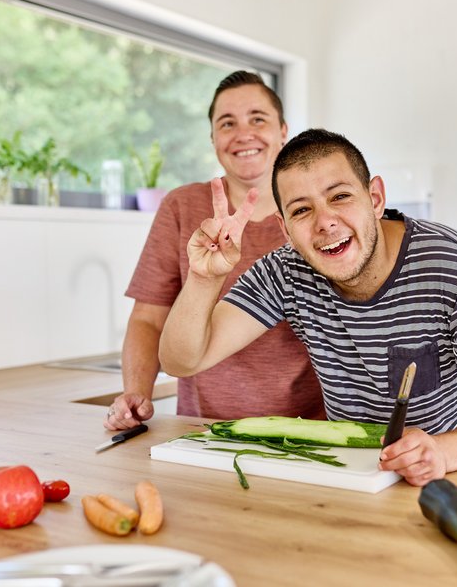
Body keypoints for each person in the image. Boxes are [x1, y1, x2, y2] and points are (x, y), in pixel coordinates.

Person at [158, 128, 457, 487]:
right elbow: (182, 361)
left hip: (455, 472)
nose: (325, 222)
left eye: (340, 196)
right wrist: (204, 278)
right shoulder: (285, 271)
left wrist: (440, 452)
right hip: (351, 477)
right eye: (302, 210)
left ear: (375, 198)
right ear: (285, 228)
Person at [105, 72, 325, 430]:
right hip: (202, 431)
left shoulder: (318, 214)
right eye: (227, 123)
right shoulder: (181, 207)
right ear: (213, 139)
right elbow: (148, 318)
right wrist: (135, 393)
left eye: (258, 119)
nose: (244, 133)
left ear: (284, 131)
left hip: (309, 430)